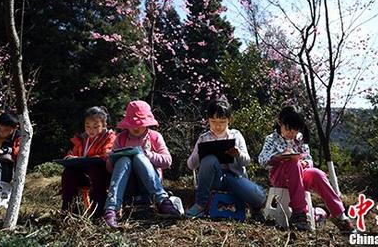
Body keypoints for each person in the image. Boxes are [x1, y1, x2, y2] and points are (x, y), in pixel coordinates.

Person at [258, 106, 355, 233]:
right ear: (280, 123)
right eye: (288, 129)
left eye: (295, 130)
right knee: (293, 163)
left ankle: (339, 214)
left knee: (317, 173)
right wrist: (278, 157)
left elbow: (309, 159)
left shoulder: (299, 139)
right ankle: (299, 213)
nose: (291, 134)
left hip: (300, 175)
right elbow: (262, 160)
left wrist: (305, 163)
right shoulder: (271, 139)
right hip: (280, 177)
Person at [103, 100, 181, 228]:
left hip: (150, 183)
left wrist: (148, 155)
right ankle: (111, 209)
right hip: (127, 184)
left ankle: (162, 201)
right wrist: (111, 159)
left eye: (139, 124)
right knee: (124, 160)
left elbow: (167, 161)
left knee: (139, 157)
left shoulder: (155, 137)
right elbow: (110, 169)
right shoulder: (121, 138)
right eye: (132, 124)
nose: (136, 127)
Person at [186, 96, 266, 219]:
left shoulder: (236, 135)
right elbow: (191, 165)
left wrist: (238, 154)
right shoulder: (203, 138)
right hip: (215, 179)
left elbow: (247, 161)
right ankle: (200, 205)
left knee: (258, 197)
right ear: (208, 120)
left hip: (234, 177)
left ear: (229, 120)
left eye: (222, 122)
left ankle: (255, 209)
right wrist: (200, 153)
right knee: (209, 159)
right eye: (213, 122)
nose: (218, 126)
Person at [61, 106, 115, 217]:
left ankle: (98, 212)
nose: (91, 130)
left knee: (96, 171)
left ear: (104, 125)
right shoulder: (82, 138)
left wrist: (88, 159)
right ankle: (69, 212)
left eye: (96, 126)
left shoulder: (109, 137)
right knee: (68, 173)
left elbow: (106, 155)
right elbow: (74, 153)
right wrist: (70, 157)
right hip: (84, 174)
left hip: (103, 175)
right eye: (87, 126)